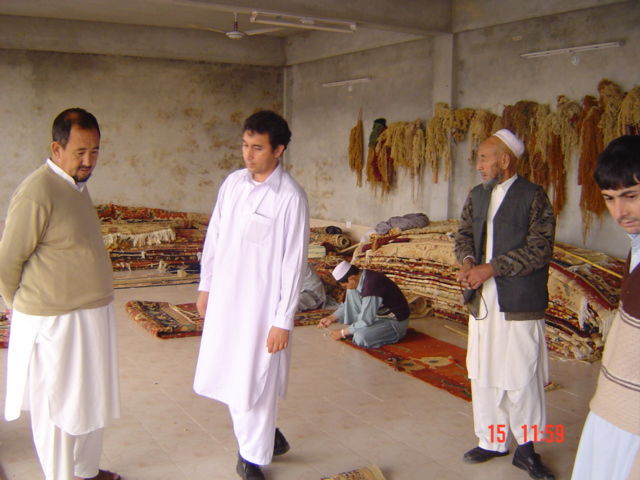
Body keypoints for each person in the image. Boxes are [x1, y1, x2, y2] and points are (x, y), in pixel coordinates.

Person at [0, 109, 120, 480]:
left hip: (90, 314)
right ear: (57, 148)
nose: (88, 161)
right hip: (52, 321)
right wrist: (15, 307)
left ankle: (85, 471)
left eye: (95, 152)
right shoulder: (37, 191)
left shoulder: (75, 186)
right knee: (56, 407)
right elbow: (8, 259)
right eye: (81, 152)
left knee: (90, 398)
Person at [193, 110, 309, 480]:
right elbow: (214, 236)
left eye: (257, 148)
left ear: (279, 150)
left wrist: (282, 320)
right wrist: (205, 284)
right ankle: (266, 437)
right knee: (232, 373)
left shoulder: (290, 198)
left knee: (254, 377)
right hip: (227, 300)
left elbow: (294, 264)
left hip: (262, 309)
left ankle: (253, 458)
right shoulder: (233, 184)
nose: (248, 155)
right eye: (245, 145)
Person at [454, 129, 556, 479]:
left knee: (520, 374)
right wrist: (468, 262)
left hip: (518, 302)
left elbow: (540, 250)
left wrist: (491, 268)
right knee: (482, 372)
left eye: (484, 157)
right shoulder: (477, 195)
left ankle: (526, 450)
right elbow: (464, 233)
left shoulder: (534, 197)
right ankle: (493, 441)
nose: (479, 165)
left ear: (505, 160)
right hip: (482, 300)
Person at [571, 135, 640, 480]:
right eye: (610, 199)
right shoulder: (636, 247)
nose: (619, 212)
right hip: (613, 407)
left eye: (631, 196)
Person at [317, 261, 409, 348]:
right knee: (351, 292)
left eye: (345, 285)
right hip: (378, 317)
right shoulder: (361, 277)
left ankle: (395, 334)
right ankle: (360, 327)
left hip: (394, 322)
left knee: (360, 337)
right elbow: (349, 305)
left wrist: (342, 333)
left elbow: (366, 320)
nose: (346, 288)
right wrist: (331, 318)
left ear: (351, 279)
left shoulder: (372, 286)